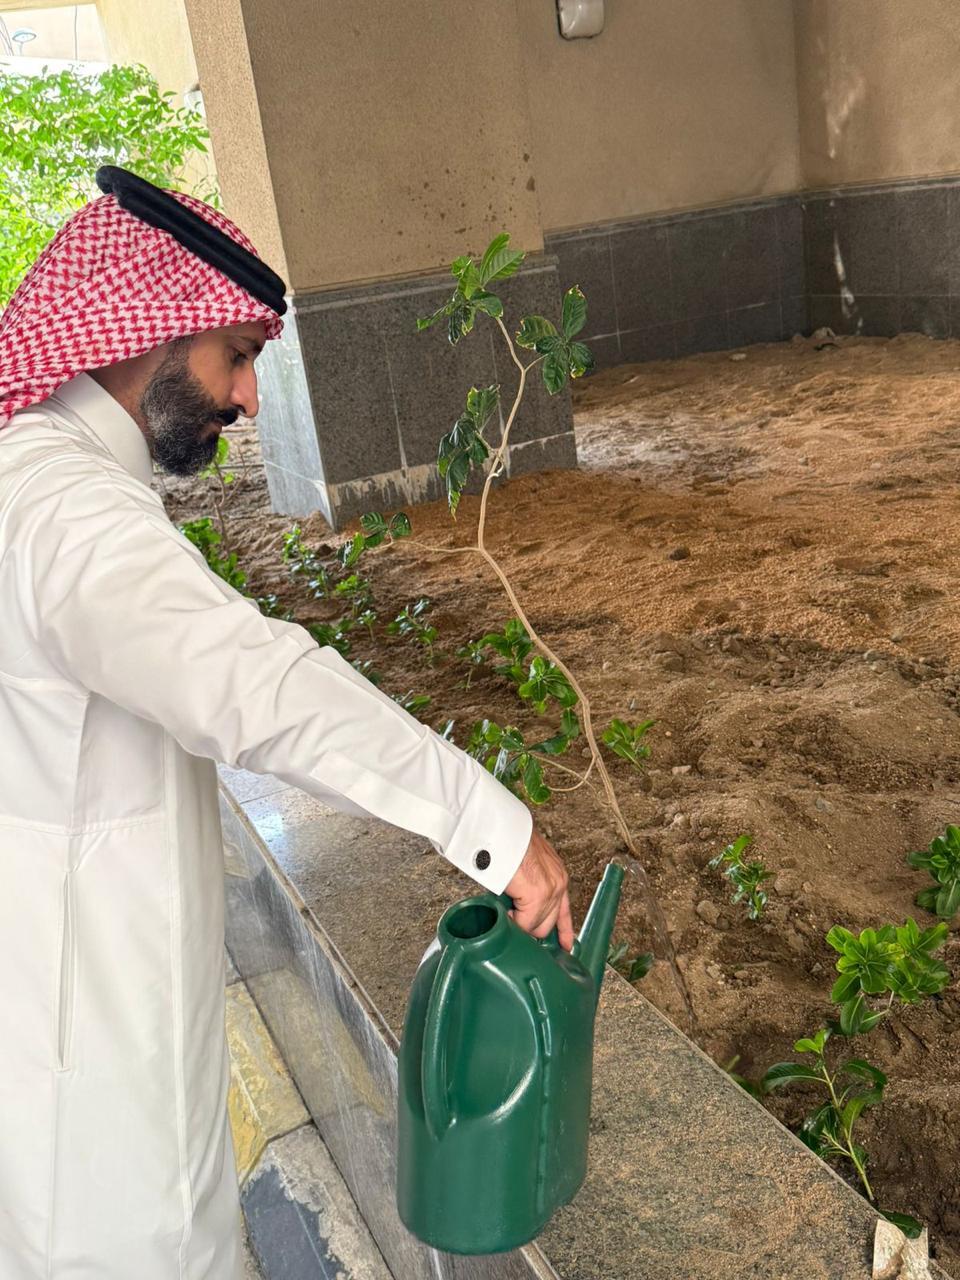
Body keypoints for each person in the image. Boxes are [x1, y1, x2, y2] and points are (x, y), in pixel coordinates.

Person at [0, 166, 573, 1280]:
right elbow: (254, 684)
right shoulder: (67, 515)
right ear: (151, 328)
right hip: (87, 1085)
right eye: (238, 355)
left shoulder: (37, 474)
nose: (250, 399)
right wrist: (486, 820)